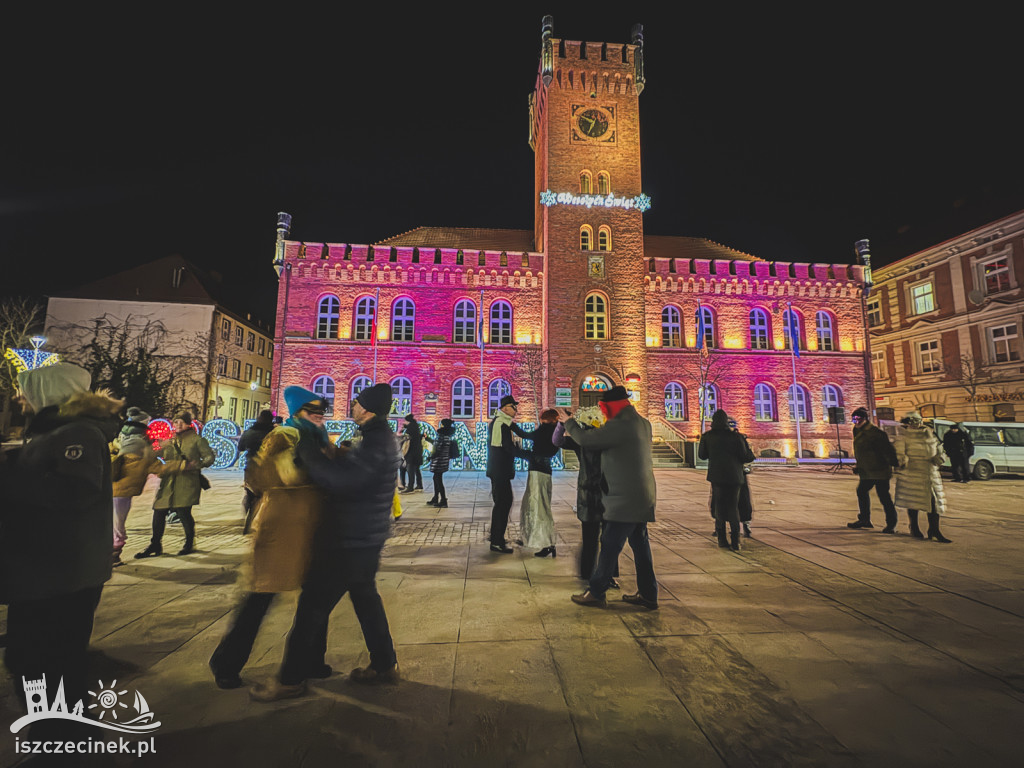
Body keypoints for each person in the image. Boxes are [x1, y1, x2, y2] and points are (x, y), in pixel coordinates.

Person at [251, 382, 401, 702]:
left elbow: (346, 483)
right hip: (365, 537)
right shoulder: (376, 438)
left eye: (357, 402)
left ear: (369, 408)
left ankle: (289, 680)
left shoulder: (376, 441)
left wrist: (311, 457)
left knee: (311, 609)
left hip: (351, 538)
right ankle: (385, 663)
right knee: (365, 599)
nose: (353, 406)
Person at [0, 363, 120, 748]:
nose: (22, 397)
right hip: (48, 569)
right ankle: (72, 741)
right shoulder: (57, 431)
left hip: (60, 571)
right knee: (44, 662)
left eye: (27, 389)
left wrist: (10, 477)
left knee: (39, 661)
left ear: (48, 392)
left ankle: (58, 745)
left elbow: (74, 492)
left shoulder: (77, 432)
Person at [209, 389, 324, 689]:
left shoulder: (319, 439)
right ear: (298, 412)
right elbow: (260, 477)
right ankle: (226, 663)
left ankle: (312, 660)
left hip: (310, 526)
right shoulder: (284, 437)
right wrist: (299, 469)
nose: (319, 416)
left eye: (321, 412)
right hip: (281, 527)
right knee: (260, 598)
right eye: (313, 412)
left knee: (316, 600)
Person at [562, 386, 659, 610]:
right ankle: (648, 594)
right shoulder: (642, 422)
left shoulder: (621, 425)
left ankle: (596, 592)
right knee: (641, 547)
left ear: (611, 407)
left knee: (609, 545)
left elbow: (587, 440)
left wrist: (569, 422)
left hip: (623, 500)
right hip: (641, 496)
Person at [553, 407, 619, 586]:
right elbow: (557, 441)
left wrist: (563, 423)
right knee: (599, 536)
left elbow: (557, 441)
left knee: (601, 536)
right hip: (595, 492)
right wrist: (562, 424)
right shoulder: (585, 439)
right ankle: (596, 574)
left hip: (600, 491)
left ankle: (598, 573)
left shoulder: (602, 437)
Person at [135, 411, 215, 558]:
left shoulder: (197, 440)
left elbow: (209, 457)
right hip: (169, 481)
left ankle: (189, 542)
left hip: (187, 482)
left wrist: (197, 464)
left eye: (182, 422)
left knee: (183, 512)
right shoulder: (170, 440)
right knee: (159, 511)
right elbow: (155, 454)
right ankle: (155, 544)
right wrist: (156, 446)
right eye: (176, 421)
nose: (178, 424)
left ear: (188, 424)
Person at [698, 409, 756, 551]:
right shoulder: (736, 437)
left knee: (719, 507)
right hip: (735, 477)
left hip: (717, 477)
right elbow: (747, 457)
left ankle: (722, 540)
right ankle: (735, 541)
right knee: (733, 507)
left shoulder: (707, 437)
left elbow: (702, 456)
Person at [895, 411, 951, 543]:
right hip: (913, 474)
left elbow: (940, 450)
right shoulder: (904, 436)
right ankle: (914, 527)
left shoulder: (930, 434)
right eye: (913, 421)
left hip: (930, 473)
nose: (917, 424)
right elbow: (899, 453)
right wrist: (903, 460)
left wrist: (940, 458)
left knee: (934, 503)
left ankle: (934, 530)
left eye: (918, 421)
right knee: (913, 502)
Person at [110, 406, 157, 566]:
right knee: (118, 522)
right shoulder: (138, 442)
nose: (149, 424)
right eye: (147, 421)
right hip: (123, 487)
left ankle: (112, 552)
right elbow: (152, 462)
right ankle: (114, 553)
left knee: (114, 520)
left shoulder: (122, 437)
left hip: (115, 484)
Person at [486, 394, 531, 554]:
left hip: (499, 470)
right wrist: (529, 456)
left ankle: (496, 537)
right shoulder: (501, 424)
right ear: (505, 408)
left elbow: (523, 434)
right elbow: (507, 447)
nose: (516, 410)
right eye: (514, 407)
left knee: (502, 503)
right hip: (500, 471)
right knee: (503, 504)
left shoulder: (504, 422)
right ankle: (497, 542)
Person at [846, 406, 900, 533]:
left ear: (865, 419)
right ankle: (865, 519)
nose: (856, 421)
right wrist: (859, 466)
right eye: (854, 419)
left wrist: (893, 463)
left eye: (858, 419)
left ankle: (891, 523)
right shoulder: (857, 431)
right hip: (867, 470)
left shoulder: (876, 433)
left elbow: (887, 450)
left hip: (879, 470)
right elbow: (862, 452)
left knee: (883, 496)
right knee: (862, 491)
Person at [518, 408, 560, 557]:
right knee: (542, 504)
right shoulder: (556, 431)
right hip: (545, 470)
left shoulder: (545, 430)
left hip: (538, 470)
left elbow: (525, 435)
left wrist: (511, 425)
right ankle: (545, 542)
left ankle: (546, 543)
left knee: (539, 506)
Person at [239, 408, 275, 533]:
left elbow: (240, 447)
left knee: (250, 492)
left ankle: (247, 508)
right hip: (266, 467)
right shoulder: (273, 433)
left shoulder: (249, 431)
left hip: (250, 466)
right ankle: (251, 520)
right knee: (261, 495)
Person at [426, 417, 459, 508]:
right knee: (436, 478)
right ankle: (436, 497)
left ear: (443, 425)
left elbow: (437, 449)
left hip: (439, 461)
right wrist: (428, 439)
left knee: (438, 480)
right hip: (443, 461)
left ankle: (443, 500)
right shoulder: (447, 436)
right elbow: (437, 444)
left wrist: (430, 457)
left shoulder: (441, 436)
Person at [400, 414, 424, 493]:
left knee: (410, 469)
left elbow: (405, 439)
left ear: (408, 421)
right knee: (416, 469)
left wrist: (402, 431)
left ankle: (410, 486)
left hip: (411, 453)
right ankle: (419, 485)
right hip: (417, 452)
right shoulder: (415, 427)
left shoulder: (410, 430)